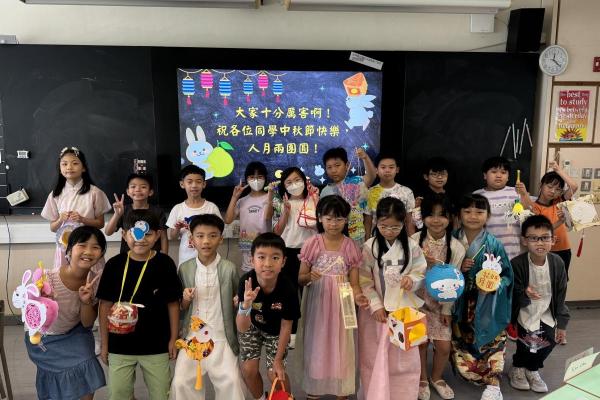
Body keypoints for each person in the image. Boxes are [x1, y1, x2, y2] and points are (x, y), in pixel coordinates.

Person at [97, 209, 182, 400]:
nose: (141, 240)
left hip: (156, 344)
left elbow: (173, 304)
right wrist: (104, 343)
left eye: (147, 234)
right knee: (118, 393)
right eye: (135, 234)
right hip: (119, 344)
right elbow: (104, 306)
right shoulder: (114, 264)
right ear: (124, 235)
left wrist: (173, 339)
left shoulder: (165, 263)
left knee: (161, 394)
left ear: (157, 235)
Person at [25, 226, 107, 400]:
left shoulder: (96, 282)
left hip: (74, 332)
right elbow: (30, 316)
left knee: (87, 363)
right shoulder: (46, 278)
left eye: (95, 247)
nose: (88, 251)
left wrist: (85, 301)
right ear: (69, 250)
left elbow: (87, 323)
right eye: (82, 245)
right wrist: (42, 303)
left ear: (101, 254)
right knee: (58, 377)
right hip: (43, 337)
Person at [358, 197, 427, 400]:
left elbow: (420, 271)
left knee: (406, 359)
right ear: (376, 222)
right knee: (373, 357)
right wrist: (375, 306)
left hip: (405, 311)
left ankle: (404, 394)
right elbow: (364, 280)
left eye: (395, 227)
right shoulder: (370, 247)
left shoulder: (412, 246)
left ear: (404, 223)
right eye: (384, 226)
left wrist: (412, 280)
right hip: (376, 314)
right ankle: (375, 394)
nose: (389, 231)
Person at [170, 214, 244, 400]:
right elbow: (181, 308)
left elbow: (237, 303)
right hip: (193, 337)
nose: (206, 241)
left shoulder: (229, 268)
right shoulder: (185, 268)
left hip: (221, 336)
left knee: (231, 381)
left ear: (221, 239)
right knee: (180, 382)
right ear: (191, 239)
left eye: (212, 235)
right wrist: (186, 299)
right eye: (200, 235)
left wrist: (239, 303)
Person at [298, 195, 363, 399]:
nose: (333, 224)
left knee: (343, 343)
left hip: (343, 301)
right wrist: (309, 276)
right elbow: (301, 278)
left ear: (346, 220)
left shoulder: (350, 246)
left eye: (339, 219)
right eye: (329, 218)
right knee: (317, 342)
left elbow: (355, 282)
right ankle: (315, 388)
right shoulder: (312, 243)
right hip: (318, 301)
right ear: (319, 218)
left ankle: (341, 388)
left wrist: (358, 296)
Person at [452, 194, 513, 400]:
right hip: (460, 301)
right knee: (462, 341)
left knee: (493, 340)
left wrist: (494, 285)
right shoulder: (451, 239)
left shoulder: (493, 244)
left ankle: (494, 383)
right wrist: (457, 267)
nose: (473, 216)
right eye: (467, 211)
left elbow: (507, 276)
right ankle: (475, 375)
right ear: (459, 215)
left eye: (479, 212)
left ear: (487, 215)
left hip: (487, 301)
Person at [412, 194, 465, 400]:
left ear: (450, 218)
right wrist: (422, 262)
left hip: (441, 305)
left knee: (443, 346)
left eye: (442, 215)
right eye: (431, 215)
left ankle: (437, 377)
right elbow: (406, 272)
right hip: (417, 302)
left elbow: (455, 283)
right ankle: (422, 379)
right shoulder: (414, 241)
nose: (436, 220)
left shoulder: (456, 247)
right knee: (420, 343)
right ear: (422, 217)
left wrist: (447, 310)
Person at [508, 215, 569, 393]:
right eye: (534, 238)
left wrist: (562, 324)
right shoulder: (517, 263)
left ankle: (532, 368)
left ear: (553, 240)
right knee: (526, 343)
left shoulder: (557, 263)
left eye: (544, 238)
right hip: (524, 310)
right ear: (524, 241)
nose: (540, 243)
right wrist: (524, 292)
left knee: (549, 340)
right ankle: (518, 368)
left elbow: (561, 294)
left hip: (547, 310)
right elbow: (511, 290)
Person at [237, 233, 301, 400]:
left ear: (283, 262)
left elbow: (286, 326)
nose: (267, 263)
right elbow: (242, 328)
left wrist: (278, 360)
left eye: (275, 258)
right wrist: (246, 305)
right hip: (252, 326)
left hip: (277, 331)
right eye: (261, 257)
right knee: (248, 370)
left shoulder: (288, 288)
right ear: (252, 260)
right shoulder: (246, 282)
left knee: (275, 374)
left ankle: (287, 398)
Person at [270, 166, 319, 347]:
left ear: (304, 181)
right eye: (289, 182)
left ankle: (314, 332)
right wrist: (286, 211)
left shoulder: (313, 199)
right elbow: (277, 232)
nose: (294, 185)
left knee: (312, 293)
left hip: (310, 252)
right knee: (290, 294)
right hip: (289, 251)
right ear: (284, 185)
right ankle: (292, 332)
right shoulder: (282, 203)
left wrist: (316, 199)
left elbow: (321, 226)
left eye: (297, 180)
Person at [41, 146, 111, 268]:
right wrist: (60, 220)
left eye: (75, 163)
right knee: (66, 276)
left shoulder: (95, 192)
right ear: (60, 169)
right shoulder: (55, 194)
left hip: (88, 245)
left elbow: (100, 224)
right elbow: (52, 228)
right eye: (64, 164)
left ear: (83, 168)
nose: (69, 167)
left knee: (90, 276)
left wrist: (82, 219)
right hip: (65, 246)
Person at [515, 161, 578, 279]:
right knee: (542, 282)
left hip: (563, 249)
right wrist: (524, 194)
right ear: (541, 185)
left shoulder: (559, 201)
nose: (553, 191)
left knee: (561, 282)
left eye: (558, 189)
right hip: (544, 251)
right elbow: (540, 230)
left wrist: (558, 170)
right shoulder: (534, 206)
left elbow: (574, 187)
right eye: (549, 186)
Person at [167, 165, 221, 267]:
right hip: (186, 261)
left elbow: (219, 232)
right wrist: (177, 228)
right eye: (190, 182)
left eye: (198, 182)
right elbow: (172, 237)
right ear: (182, 184)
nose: (194, 185)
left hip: (209, 260)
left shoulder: (211, 207)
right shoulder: (177, 208)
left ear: (204, 184)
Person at [320, 147, 376, 244]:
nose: (333, 170)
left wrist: (365, 158)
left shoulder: (356, 182)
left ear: (347, 165)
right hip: (335, 239)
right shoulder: (325, 191)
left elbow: (371, 176)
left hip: (356, 238)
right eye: (329, 167)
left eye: (337, 165)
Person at [224, 161, 272, 274]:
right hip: (247, 246)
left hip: (266, 244)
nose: (256, 180)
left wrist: (270, 197)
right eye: (252, 177)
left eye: (259, 177)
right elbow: (228, 220)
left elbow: (268, 217)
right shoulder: (242, 201)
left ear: (265, 178)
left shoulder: (271, 198)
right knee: (249, 276)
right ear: (246, 179)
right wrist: (234, 197)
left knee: (266, 273)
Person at [473, 156, 523, 260]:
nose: (499, 175)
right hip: (487, 251)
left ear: (508, 177)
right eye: (494, 172)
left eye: (503, 172)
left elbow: (532, 210)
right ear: (485, 175)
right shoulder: (477, 196)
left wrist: (524, 194)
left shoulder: (516, 192)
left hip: (513, 251)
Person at [105, 173, 168, 254]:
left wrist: (165, 257)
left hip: (152, 255)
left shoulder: (158, 212)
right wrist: (117, 215)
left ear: (150, 192)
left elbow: (163, 237)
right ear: (128, 191)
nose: (137, 189)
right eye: (133, 186)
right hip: (128, 255)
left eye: (143, 187)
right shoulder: (123, 210)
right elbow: (108, 232)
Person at [364, 154, 416, 239]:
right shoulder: (369, 192)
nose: (387, 170)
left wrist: (412, 241)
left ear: (397, 170)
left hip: (400, 238)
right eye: (383, 167)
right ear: (376, 170)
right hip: (376, 238)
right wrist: (367, 240)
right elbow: (368, 220)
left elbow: (409, 221)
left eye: (391, 167)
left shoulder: (407, 192)